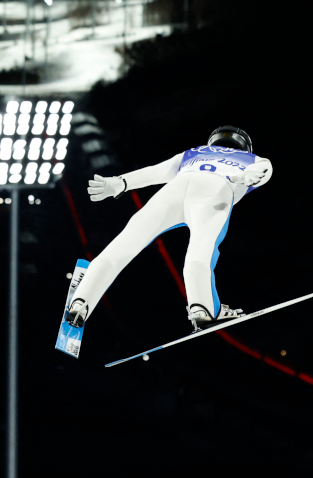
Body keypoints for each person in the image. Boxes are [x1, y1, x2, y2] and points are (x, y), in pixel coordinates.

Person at [66, 126, 272, 332]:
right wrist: (250, 176)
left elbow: (157, 171)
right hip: (216, 189)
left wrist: (121, 182)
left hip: (174, 189)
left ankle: (80, 303)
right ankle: (202, 309)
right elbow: (264, 169)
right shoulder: (252, 158)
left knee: (123, 245)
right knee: (201, 251)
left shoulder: (195, 151)